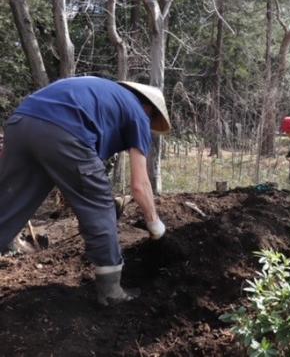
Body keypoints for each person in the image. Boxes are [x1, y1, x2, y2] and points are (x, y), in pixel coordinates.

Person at [0, 76, 171, 305]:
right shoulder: (139, 114)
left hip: (20, 122)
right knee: (99, 204)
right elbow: (140, 185)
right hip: (63, 132)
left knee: (9, 200)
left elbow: (76, 177)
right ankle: (111, 291)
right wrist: (154, 223)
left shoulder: (100, 93)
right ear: (149, 109)